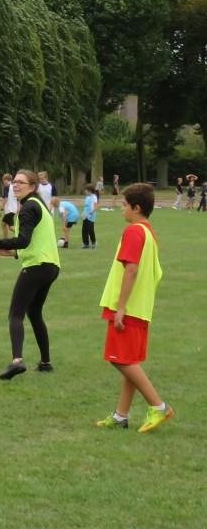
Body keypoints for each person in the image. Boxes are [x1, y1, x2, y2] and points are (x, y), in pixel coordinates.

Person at [94, 183, 174, 432]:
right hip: (141, 308)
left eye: (124, 205)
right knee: (129, 360)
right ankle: (121, 416)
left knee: (120, 360)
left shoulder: (134, 232)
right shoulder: (150, 234)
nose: (122, 210)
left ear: (136, 208)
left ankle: (159, 406)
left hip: (129, 309)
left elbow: (131, 269)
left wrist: (120, 308)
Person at [0, 170, 60, 380]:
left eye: (21, 182)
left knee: (15, 314)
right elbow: (36, 241)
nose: (15, 185)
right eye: (14, 182)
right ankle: (45, 363)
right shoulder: (39, 205)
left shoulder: (29, 206)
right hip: (51, 266)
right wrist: (13, 253)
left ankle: (17, 361)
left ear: (32, 186)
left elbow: (24, 240)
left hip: (36, 266)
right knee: (34, 312)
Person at [0, 173, 18, 239]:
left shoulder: (7, 187)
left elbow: (5, 199)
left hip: (9, 210)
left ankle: (23, 235)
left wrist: (1, 209)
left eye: (4, 180)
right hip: (13, 209)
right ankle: (5, 239)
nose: (3, 182)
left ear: (6, 180)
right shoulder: (13, 186)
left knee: (11, 227)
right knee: (3, 224)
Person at [81, 184, 98, 249]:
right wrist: (83, 213)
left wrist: (90, 213)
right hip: (85, 216)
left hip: (91, 216)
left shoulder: (94, 197)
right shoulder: (87, 198)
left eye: (86, 190)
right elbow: (86, 207)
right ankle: (86, 244)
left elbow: (95, 207)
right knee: (84, 230)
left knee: (90, 229)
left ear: (89, 191)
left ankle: (94, 242)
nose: (85, 192)